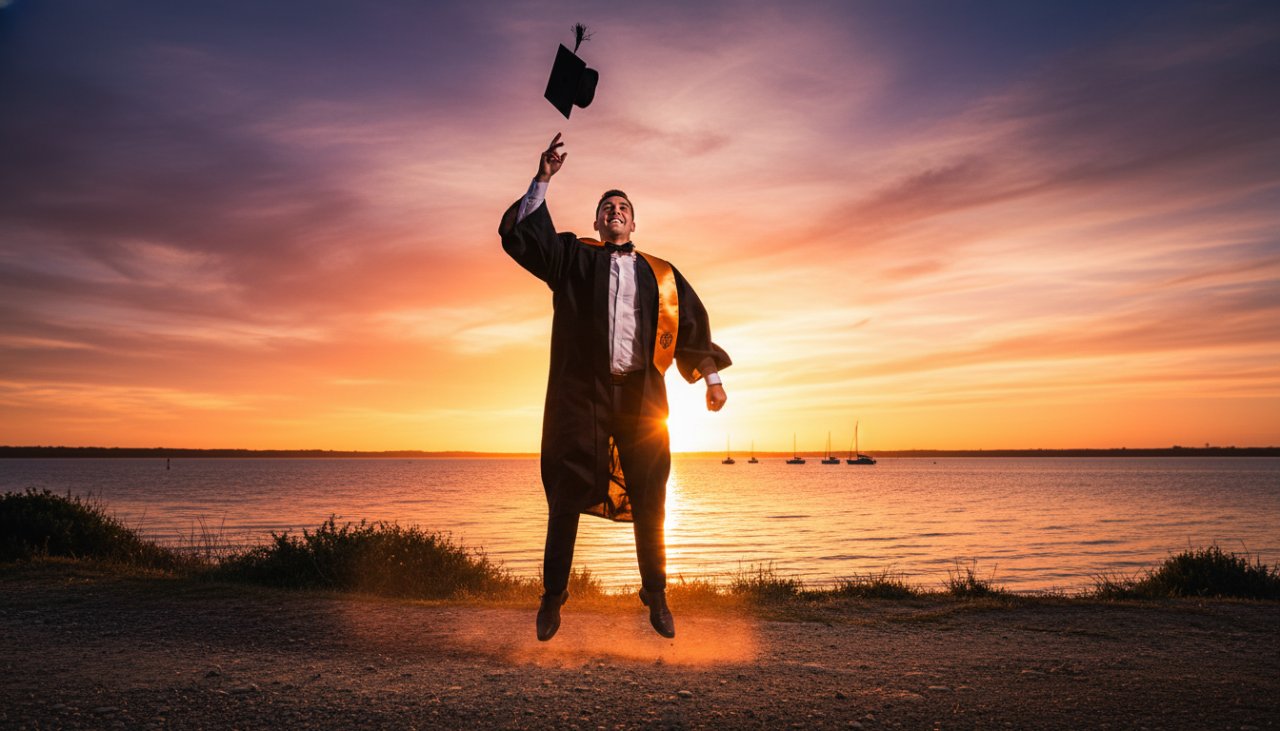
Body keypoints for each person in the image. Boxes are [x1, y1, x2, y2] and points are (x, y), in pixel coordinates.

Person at [499, 133, 731, 641]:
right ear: (598, 219)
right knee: (565, 491)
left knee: (651, 494)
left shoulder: (663, 275)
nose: (615, 211)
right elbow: (524, 238)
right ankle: (553, 596)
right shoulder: (572, 258)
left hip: (642, 399)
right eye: (607, 206)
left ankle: (655, 592)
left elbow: (691, 324)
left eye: (623, 206)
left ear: (633, 221)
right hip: (581, 395)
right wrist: (543, 179)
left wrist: (711, 380)